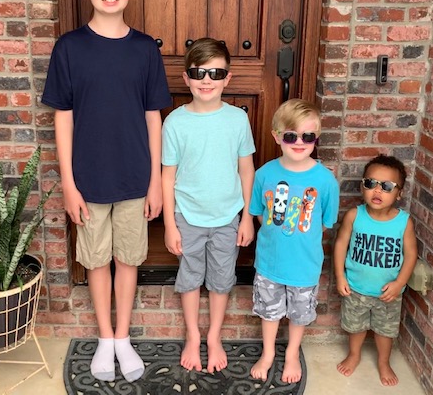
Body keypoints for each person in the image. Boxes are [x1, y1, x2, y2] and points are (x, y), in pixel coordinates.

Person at [41, 0, 171, 383]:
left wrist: (155, 181)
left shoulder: (144, 50)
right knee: (96, 260)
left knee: (129, 259)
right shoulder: (69, 48)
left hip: (136, 177)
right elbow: (63, 119)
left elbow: (154, 118)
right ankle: (102, 338)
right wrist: (69, 184)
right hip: (89, 179)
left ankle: (122, 338)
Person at [161, 38, 256, 374]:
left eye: (216, 72)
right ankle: (192, 335)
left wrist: (247, 218)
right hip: (188, 216)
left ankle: (213, 336)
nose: (206, 80)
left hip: (228, 215)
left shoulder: (237, 120)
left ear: (227, 78)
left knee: (221, 278)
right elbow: (167, 175)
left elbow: (247, 169)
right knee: (189, 278)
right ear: (186, 78)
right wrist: (170, 225)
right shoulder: (174, 122)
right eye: (198, 72)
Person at [248, 99, 340, 384]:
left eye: (307, 137)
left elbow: (323, 224)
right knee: (270, 312)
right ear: (277, 136)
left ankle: (291, 353)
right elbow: (259, 214)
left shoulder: (325, 181)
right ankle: (267, 354)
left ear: (316, 138)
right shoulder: (264, 174)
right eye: (290, 136)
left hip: (305, 265)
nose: (299, 143)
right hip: (270, 262)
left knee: (299, 315)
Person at [333, 154, 417, 386]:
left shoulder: (403, 222)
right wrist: (340, 276)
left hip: (387, 292)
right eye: (371, 184)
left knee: (385, 331)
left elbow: (411, 254)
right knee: (356, 326)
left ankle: (383, 361)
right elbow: (340, 244)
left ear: (399, 193)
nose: (377, 191)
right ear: (363, 186)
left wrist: (400, 283)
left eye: (387, 186)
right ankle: (354, 354)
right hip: (356, 288)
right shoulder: (355, 216)